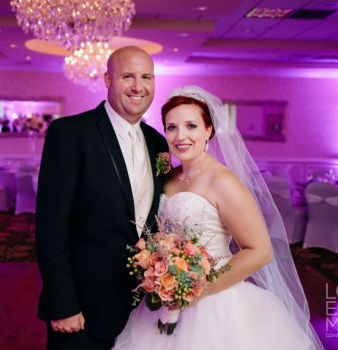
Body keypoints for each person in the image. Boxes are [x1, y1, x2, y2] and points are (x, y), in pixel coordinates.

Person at [113, 86, 324, 349]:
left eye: (191, 126)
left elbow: (260, 251)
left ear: (208, 130)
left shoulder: (223, 181)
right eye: (171, 127)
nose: (181, 136)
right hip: (165, 298)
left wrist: (198, 290)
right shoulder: (167, 178)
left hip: (217, 302)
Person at [35, 46, 168, 350]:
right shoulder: (69, 133)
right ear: (108, 79)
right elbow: (51, 228)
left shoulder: (159, 144)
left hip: (142, 307)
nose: (138, 86)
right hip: (81, 309)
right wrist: (62, 303)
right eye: (127, 76)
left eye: (146, 77)